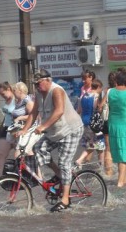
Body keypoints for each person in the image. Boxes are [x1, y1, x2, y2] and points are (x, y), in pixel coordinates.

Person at [18, 69, 83, 212]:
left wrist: (43, 126)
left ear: (48, 80)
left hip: (70, 130)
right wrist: (24, 130)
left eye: (38, 83)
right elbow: (34, 112)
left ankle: (65, 200)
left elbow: (59, 111)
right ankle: (59, 175)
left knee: (64, 162)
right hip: (54, 132)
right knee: (38, 149)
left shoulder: (56, 91)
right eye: (35, 84)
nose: (37, 87)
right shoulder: (39, 94)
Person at [75, 79, 105, 167]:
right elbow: (98, 109)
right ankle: (80, 160)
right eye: (101, 88)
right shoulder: (96, 96)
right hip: (94, 124)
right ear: (98, 87)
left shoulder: (83, 96)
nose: (101, 90)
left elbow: (79, 110)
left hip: (85, 123)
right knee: (96, 145)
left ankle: (100, 166)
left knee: (98, 145)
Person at [0, 81, 16, 173]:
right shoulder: (6, 100)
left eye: (3, 94)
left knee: (23, 156)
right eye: (0, 94)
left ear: (9, 89)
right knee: (0, 154)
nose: (2, 96)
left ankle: (37, 176)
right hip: (6, 128)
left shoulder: (16, 99)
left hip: (16, 128)